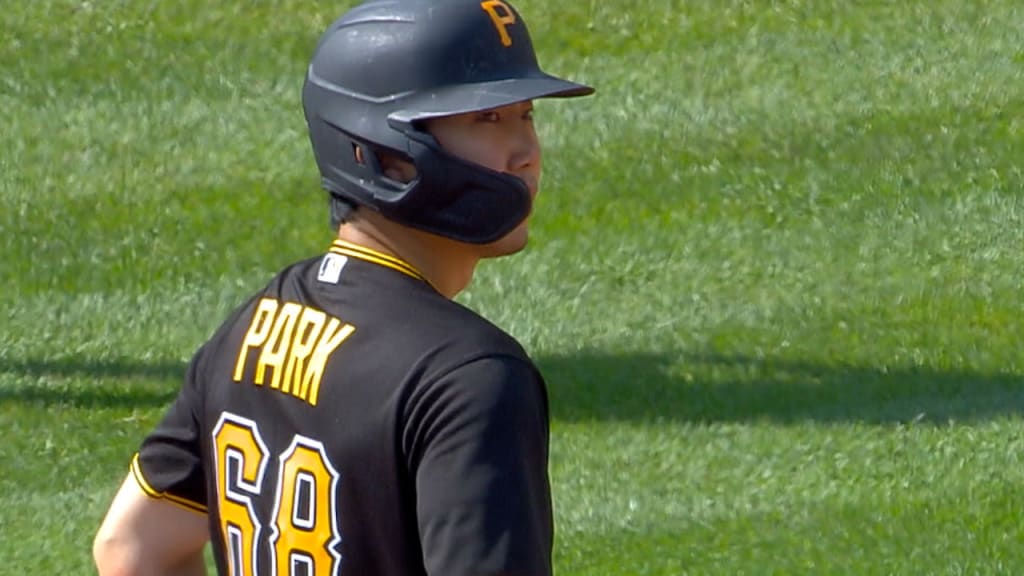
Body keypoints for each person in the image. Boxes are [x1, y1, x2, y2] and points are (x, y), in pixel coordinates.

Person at [92, 0, 593, 574]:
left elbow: (132, 547)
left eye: (525, 114)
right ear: (384, 154)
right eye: (487, 120)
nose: (527, 154)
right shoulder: (468, 377)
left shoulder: (258, 323)